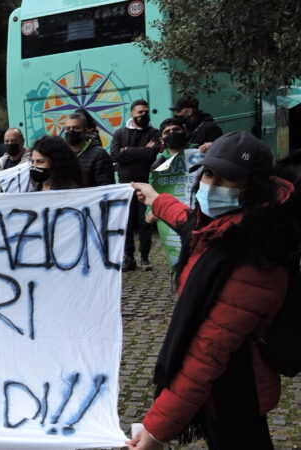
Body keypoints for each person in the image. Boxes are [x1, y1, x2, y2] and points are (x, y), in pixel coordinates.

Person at [127, 132, 298, 450]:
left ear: (253, 186)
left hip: (236, 394)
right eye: (208, 173)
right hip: (221, 394)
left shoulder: (254, 257)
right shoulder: (219, 228)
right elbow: (186, 221)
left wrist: (156, 430)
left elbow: (206, 355)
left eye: (228, 178)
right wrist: (154, 197)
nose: (213, 185)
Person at [111, 99, 161, 271]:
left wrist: (128, 150)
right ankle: (129, 258)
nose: (144, 115)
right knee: (126, 223)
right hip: (125, 186)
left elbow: (151, 155)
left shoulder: (154, 133)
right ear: (132, 113)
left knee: (145, 223)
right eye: (140, 112)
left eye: (146, 112)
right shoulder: (119, 133)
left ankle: (145, 258)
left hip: (146, 185)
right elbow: (115, 156)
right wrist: (141, 151)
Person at [63, 113, 115, 187]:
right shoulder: (60, 154)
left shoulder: (99, 154)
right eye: (68, 128)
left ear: (85, 130)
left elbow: (105, 186)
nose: (71, 131)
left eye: (76, 128)